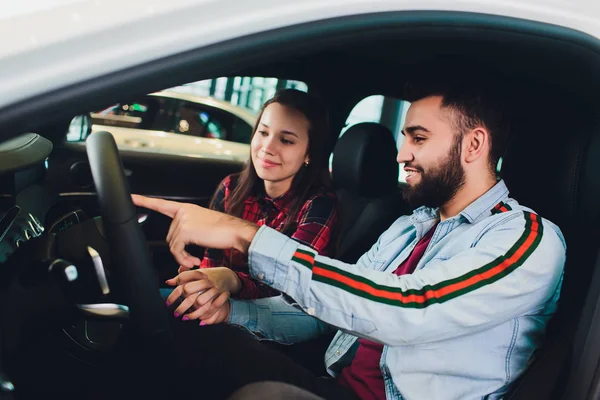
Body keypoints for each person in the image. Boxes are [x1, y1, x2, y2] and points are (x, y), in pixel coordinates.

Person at [132, 81, 566, 400]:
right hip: (337, 386)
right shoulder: (408, 227)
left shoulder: (525, 238)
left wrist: (247, 236)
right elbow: (324, 315)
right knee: (189, 327)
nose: (401, 155)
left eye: (418, 138)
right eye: (404, 138)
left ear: (473, 145)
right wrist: (234, 312)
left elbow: (409, 308)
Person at [160, 89, 340, 327]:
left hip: (269, 321)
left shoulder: (319, 205)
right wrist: (202, 281)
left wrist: (232, 280)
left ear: (308, 153)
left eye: (285, 140)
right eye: (263, 133)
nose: (267, 147)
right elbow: (211, 261)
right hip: (216, 305)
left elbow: (290, 283)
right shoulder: (231, 187)